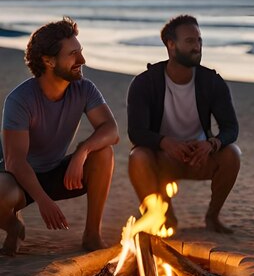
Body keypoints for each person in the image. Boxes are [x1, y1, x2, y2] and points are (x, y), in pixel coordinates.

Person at [0, 17, 119, 256]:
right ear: (48, 60)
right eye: (73, 54)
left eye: (81, 52)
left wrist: (82, 151)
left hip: (58, 172)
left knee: (103, 152)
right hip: (19, 178)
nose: (82, 60)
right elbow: (15, 162)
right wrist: (43, 201)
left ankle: (92, 235)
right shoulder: (20, 100)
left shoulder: (84, 89)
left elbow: (111, 130)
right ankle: (13, 227)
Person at [127, 15, 240, 234]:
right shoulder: (145, 83)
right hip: (163, 158)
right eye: (190, 41)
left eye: (199, 40)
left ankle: (212, 217)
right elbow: (136, 132)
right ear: (171, 44)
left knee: (232, 153)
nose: (197, 47)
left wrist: (212, 144)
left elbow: (231, 128)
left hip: (201, 156)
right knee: (137, 157)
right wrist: (165, 143)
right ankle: (164, 217)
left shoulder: (212, 82)